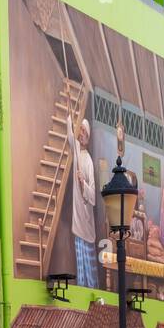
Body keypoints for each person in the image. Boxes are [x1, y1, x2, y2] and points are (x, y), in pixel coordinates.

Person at [68, 115, 98, 287]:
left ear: (88, 137)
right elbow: (70, 137)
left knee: (88, 261)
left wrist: (83, 183)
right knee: (80, 261)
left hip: (86, 218)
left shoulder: (88, 161)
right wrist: (71, 118)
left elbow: (93, 196)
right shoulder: (77, 152)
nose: (81, 135)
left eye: (84, 132)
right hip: (77, 215)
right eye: (80, 131)